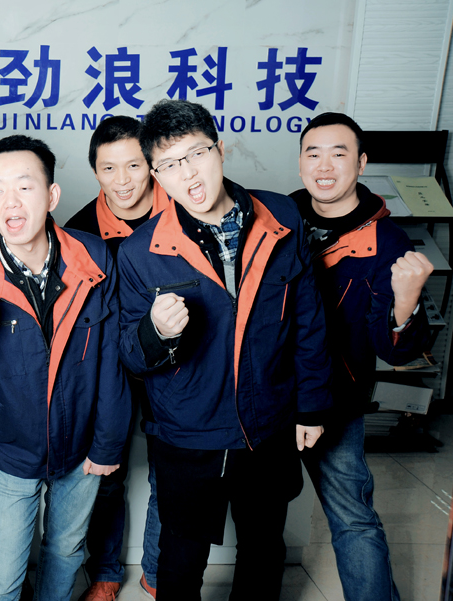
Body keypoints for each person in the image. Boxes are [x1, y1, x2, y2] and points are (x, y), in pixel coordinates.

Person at [117, 99, 332, 599]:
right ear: (156, 175)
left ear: (219, 149)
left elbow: (308, 318)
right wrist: (155, 331)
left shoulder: (281, 216)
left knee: (263, 549)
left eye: (196, 154)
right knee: (181, 558)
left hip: (269, 422)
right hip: (188, 434)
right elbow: (130, 354)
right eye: (170, 165)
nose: (188, 174)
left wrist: (312, 405)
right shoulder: (140, 252)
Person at [0, 134, 132, 601]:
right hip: (11, 454)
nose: (11, 201)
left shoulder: (94, 259)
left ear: (52, 195)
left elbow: (111, 361)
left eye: (25, 186)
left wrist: (107, 444)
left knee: (65, 552)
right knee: (2, 576)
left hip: (83, 450)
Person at [291, 112, 433, 601]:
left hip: (336, 400)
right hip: (269, 395)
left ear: (361, 163)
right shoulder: (279, 219)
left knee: (352, 517)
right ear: (300, 163)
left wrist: (406, 301)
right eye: (313, 153)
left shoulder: (387, 241)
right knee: (258, 516)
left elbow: (394, 350)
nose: (324, 165)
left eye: (339, 153)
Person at [65, 115, 169, 600]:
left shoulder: (182, 212)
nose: (122, 180)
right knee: (106, 469)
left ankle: (157, 569)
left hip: (175, 360)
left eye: (134, 165)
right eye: (109, 168)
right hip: (110, 366)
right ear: (95, 171)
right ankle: (105, 570)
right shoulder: (79, 232)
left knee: (173, 468)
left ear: (152, 165)